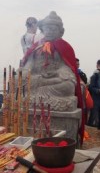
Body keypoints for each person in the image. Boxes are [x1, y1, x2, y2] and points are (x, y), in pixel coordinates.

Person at [21, 11, 84, 142]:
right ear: (42, 29)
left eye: (53, 29)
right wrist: (24, 73)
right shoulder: (36, 47)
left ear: (61, 31)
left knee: (67, 85)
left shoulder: (64, 47)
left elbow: (66, 66)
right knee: (18, 81)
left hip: (54, 80)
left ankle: (42, 87)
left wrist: (57, 73)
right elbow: (29, 64)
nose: (49, 31)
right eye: (46, 28)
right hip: (37, 79)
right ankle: (40, 86)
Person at [87, 61, 100, 130]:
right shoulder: (95, 76)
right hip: (96, 100)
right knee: (94, 117)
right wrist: (99, 90)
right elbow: (90, 87)